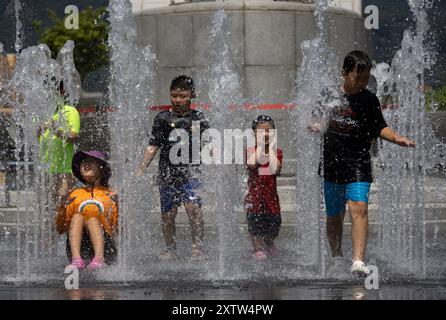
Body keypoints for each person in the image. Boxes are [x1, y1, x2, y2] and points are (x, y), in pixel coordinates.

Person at [309, 50, 416, 276]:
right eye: (358, 77)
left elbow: (379, 127)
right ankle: (337, 256)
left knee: (359, 208)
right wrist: (316, 125)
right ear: (345, 73)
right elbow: (315, 118)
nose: (362, 82)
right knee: (334, 214)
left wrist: (397, 138)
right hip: (332, 163)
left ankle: (358, 261)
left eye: (366, 78)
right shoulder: (329, 94)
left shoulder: (369, 100)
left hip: (358, 162)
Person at [137, 75, 210, 260]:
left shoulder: (198, 118)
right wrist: (142, 167)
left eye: (183, 96)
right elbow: (153, 145)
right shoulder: (162, 118)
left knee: (194, 209)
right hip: (167, 174)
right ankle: (170, 248)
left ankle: (197, 247)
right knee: (168, 214)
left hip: (191, 173)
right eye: (174, 96)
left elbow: (210, 142)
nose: (178, 100)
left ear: (192, 95)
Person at [55, 150, 118, 270]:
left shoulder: (110, 194)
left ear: (101, 168)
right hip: (79, 247)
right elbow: (60, 229)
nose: (85, 165)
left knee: (92, 220)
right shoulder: (74, 194)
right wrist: (62, 207)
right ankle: (76, 260)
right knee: (77, 217)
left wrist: (121, 204)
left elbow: (119, 229)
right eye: (83, 162)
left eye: (90, 161)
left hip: (106, 247)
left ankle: (99, 259)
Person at [37, 80, 80, 208]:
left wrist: (57, 130)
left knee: (62, 206)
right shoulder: (42, 114)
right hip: (45, 169)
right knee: (44, 207)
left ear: (61, 92)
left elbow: (73, 136)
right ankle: (46, 229)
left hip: (64, 169)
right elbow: (38, 140)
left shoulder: (70, 111)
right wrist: (38, 130)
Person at [245, 115, 283, 260]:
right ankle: (257, 248)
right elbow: (252, 164)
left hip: (271, 199)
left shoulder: (277, 152)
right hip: (254, 198)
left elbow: (275, 168)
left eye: (269, 131)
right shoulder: (251, 151)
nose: (265, 135)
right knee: (254, 225)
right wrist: (260, 147)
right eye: (260, 132)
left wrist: (270, 149)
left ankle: (269, 243)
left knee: (274, 224)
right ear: (254, 134)